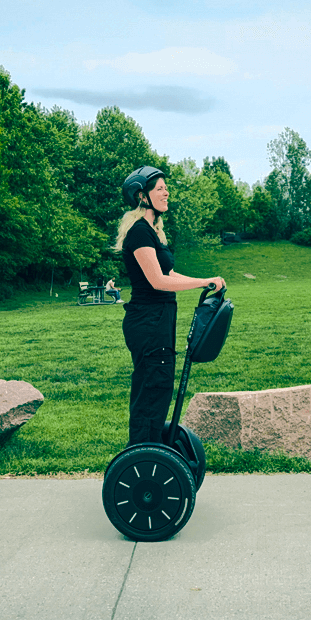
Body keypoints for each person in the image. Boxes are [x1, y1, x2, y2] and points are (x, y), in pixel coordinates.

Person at [114, 166, 225, 445]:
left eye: (166, 187)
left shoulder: (152, 231)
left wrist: (205, 282)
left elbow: (170, 275)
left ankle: (151, 452)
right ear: (142, 196)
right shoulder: (139, 232)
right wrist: (203, 282)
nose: (166, 192)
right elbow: (157, 281)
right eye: (159, 187)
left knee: (159, 388)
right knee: (152, 389)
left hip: (159, 320)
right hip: (148, 321)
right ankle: (142, 457)